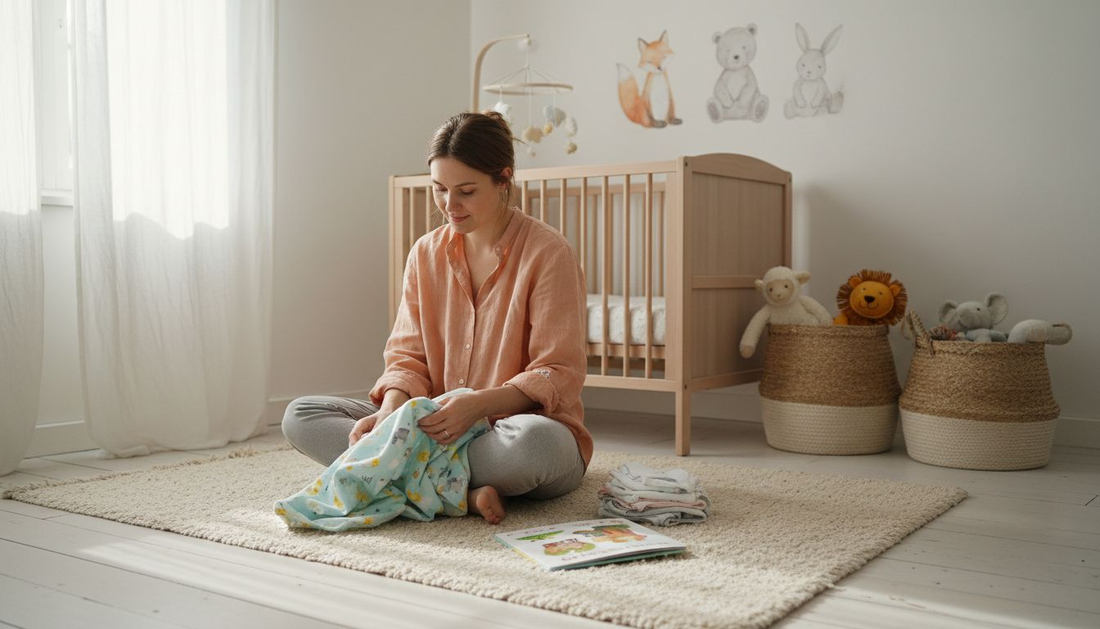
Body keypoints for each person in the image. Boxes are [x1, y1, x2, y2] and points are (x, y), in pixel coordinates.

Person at [282, 111, 592, 525]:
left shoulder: (548, 252)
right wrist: (390, 414)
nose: (450, 205)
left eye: (465, 190)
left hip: (510, 433)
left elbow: (558, 371)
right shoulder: (425, 253)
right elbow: (407, 356)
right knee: (301, 415)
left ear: (503, 179)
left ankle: (408, 479)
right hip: (429, 430)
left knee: (535, 447)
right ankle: (462, 493)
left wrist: (476, 406)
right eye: (439, 189)